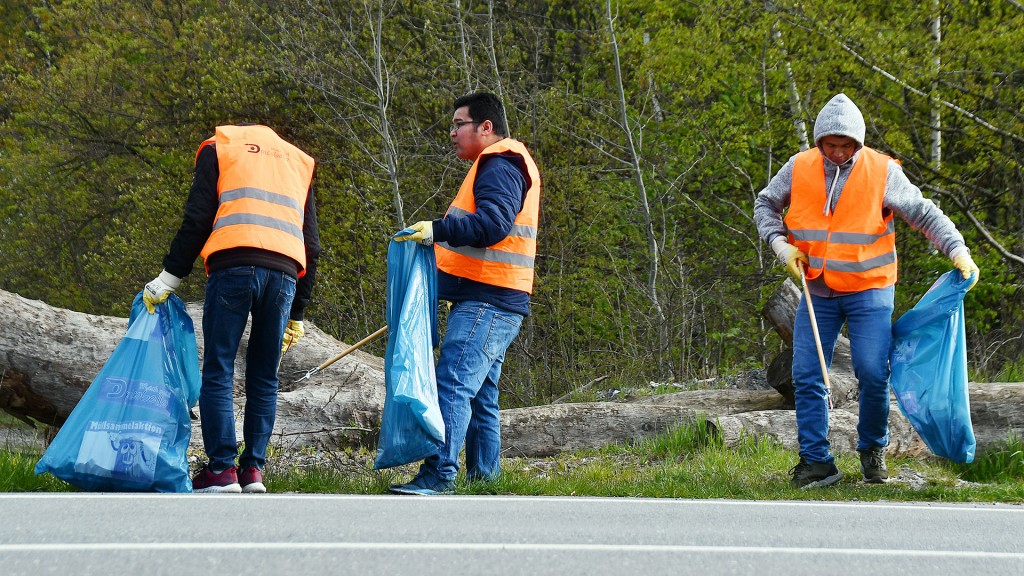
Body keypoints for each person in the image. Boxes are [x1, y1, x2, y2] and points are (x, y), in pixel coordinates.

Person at [754, 93, 980, 488]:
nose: (837, 152)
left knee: (873, 374)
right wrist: (780, 244)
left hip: (869, 290)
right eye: (830, 144)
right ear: (819, 140)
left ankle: (872, 449)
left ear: (858, 143)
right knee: (807, 374)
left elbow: (923, 213)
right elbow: (764, 204)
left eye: (846, 145)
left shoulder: (882, 171)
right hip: (817, 289)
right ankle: (816, 462)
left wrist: (957, 250)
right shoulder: (799, 167)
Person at [143, 124, 321, 493]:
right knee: (264, 374)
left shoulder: (220, 146)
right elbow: (312, 244)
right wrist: (298, 312)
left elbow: (197, 219)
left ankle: (222, 471)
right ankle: (253, 471)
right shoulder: (298, 161)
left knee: (220, 366)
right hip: (285, 273)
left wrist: (169, 278)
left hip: (234, 264)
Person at [389, 92, 541, 495]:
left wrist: (437, 229)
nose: (452, 133)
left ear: (485, 127)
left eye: (459, 124)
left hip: (488, 300)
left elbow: (493, 225)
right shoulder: (504, 162)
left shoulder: (499, 163)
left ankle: (439, 473)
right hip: (496, 297)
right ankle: (484, 481)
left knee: (453, 382)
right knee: (482, 395)